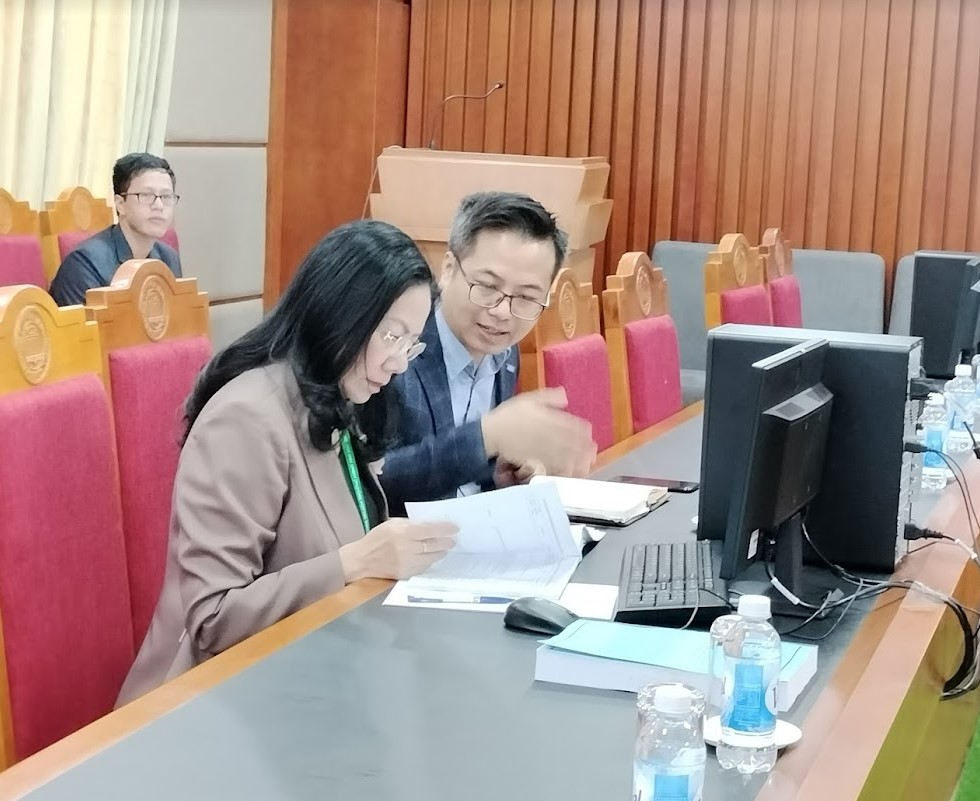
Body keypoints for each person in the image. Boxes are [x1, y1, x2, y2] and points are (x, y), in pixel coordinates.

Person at [116, 220, 458, 706]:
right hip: (211, 703)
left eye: (411, 344)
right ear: (340, 315)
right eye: (390, 336)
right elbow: (212, 618)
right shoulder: (247, 419)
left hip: (313, 676)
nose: (400, 362)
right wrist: (354, 563)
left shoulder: (334, 397)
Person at [381, 191, 597, 515]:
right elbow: (368, 483)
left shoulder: (505, 354)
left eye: (526, 297)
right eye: (487, 286)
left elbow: (462, 474)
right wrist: (486, 437)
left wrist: (498, 474)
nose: (502, 312)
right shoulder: (398, 346)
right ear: (449, 269)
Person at [49, 152, 182, 306]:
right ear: (120, 204)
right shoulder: (84, 264)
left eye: (166, 197)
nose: (159, 206)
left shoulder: (168, 258)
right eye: (146, 195)